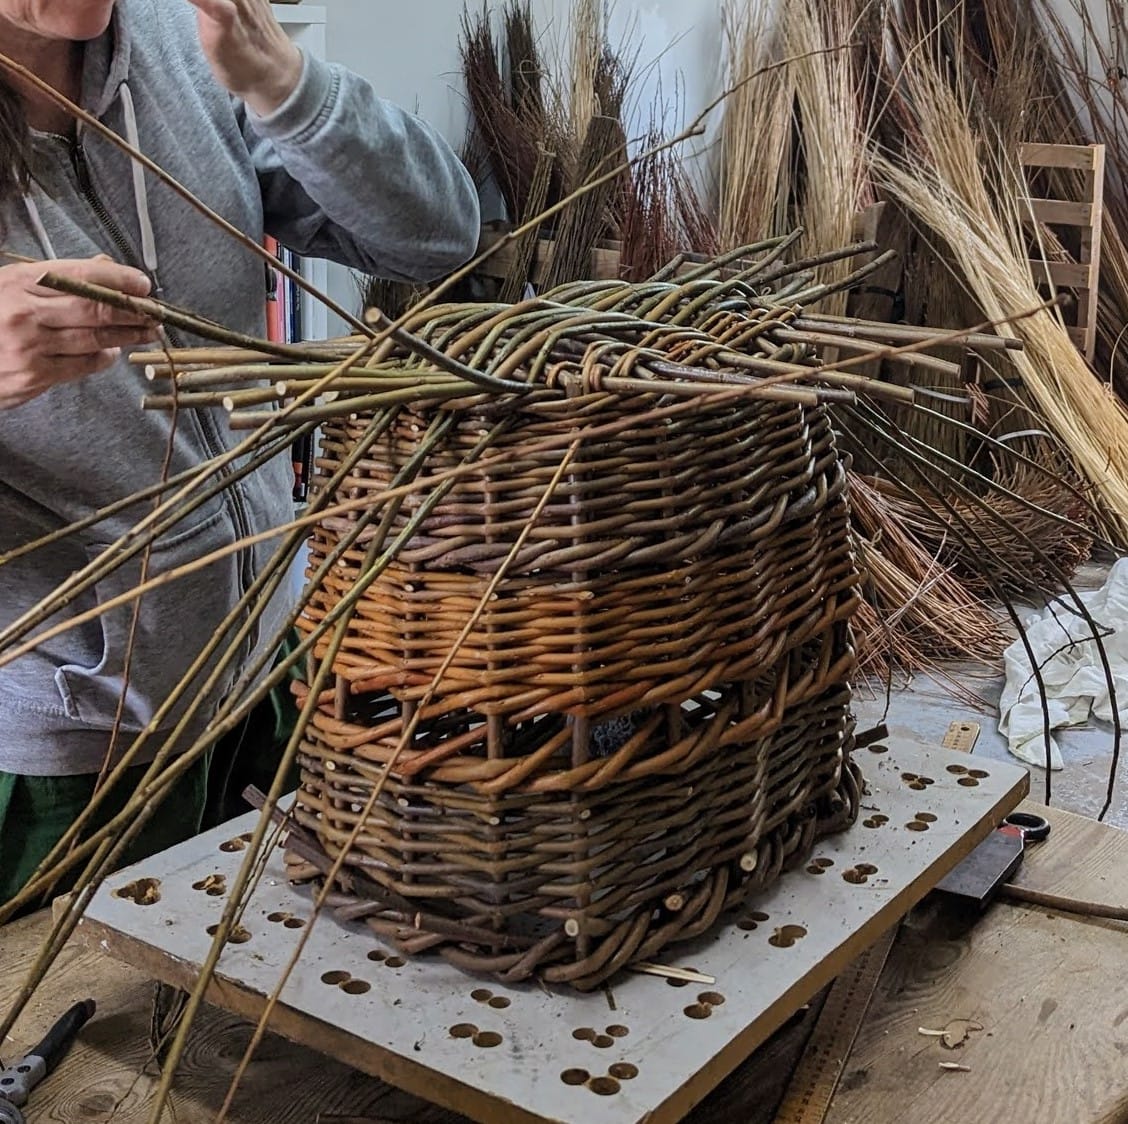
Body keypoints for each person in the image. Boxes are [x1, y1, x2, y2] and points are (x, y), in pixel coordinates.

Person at [0, 0, 481, 910]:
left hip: (268, 668)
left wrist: (285, 85)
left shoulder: (174, 41)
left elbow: (437, 238)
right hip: (64, 752)